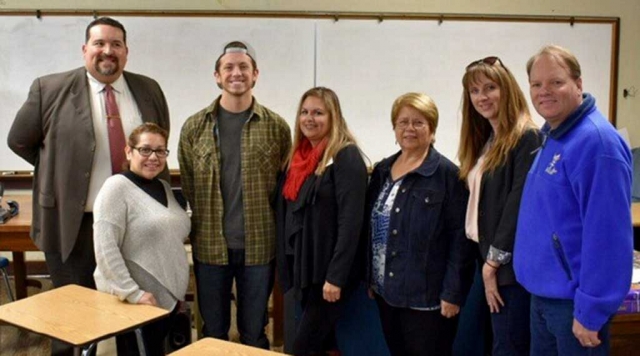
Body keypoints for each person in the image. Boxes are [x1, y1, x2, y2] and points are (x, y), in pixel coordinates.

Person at [7, 17, 169, 356]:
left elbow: (159, 139)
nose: (107, 51)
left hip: (132, 226)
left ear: (126, 52)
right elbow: (19, 140)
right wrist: (58, 170)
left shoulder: (148, 89)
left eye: (116, 44)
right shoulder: (49, 89)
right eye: (99, 43)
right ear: (85, 50)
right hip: (74, 222)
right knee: (71, 317)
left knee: (132, 311)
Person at [514, 45, 633, 355]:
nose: (544, 92)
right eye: (536, 84)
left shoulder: (596, 143)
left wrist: (591, 311)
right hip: (544, 298)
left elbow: (607, 237)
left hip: (574, 307)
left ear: (578, 84)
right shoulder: (555, 136)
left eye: (556, 82)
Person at [178, 40, 291, 349]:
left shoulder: (277, 128)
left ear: (255, 75)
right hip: (211, 247)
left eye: (244, 67)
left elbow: (283, 187)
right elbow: (189, 184)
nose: (236, 73)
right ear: (217, 76)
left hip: (259, 248)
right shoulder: (193, 128)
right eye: (228, 67)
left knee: (254, 332)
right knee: (212, 332)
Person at [366, 92, 474, 356]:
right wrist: (371, 277)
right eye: (403, 122)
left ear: (432, 129)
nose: (409, 129)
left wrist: (452, 294)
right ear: (394, 128)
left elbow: (460, 240)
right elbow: (369, 229)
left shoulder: (448, 176)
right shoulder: (382, 171)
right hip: (386, 293)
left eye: (418, 122)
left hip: (427, 300)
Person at [274, 87, 368, 355]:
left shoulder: (345, 157)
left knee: (303, 347)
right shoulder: (296, 160)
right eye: (304, 112)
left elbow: (351, 224)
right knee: (324, 344)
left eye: (318, 112)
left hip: (328, 275)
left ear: (333, 116)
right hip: (305, 270)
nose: (309, 118)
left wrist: (335, 277)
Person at [458, 56, 540, 356]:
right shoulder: (490, 139)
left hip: (509, 271)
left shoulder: (525, 136)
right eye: (475, 91)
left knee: (508, 346)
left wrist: (494, 264)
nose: (482, 97)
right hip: (487, 263)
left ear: (506, 89)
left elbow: (517, 205)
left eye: (490, 88)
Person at [93, 123, 190, 355]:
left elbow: (173, 232)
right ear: (129, 152)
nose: (153, 157)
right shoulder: (115, 188)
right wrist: (133, 293)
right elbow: (106, 248)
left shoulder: (164, 187)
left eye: (160, 151)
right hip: (137, 301)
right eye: (145, 150)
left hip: (167, 299)